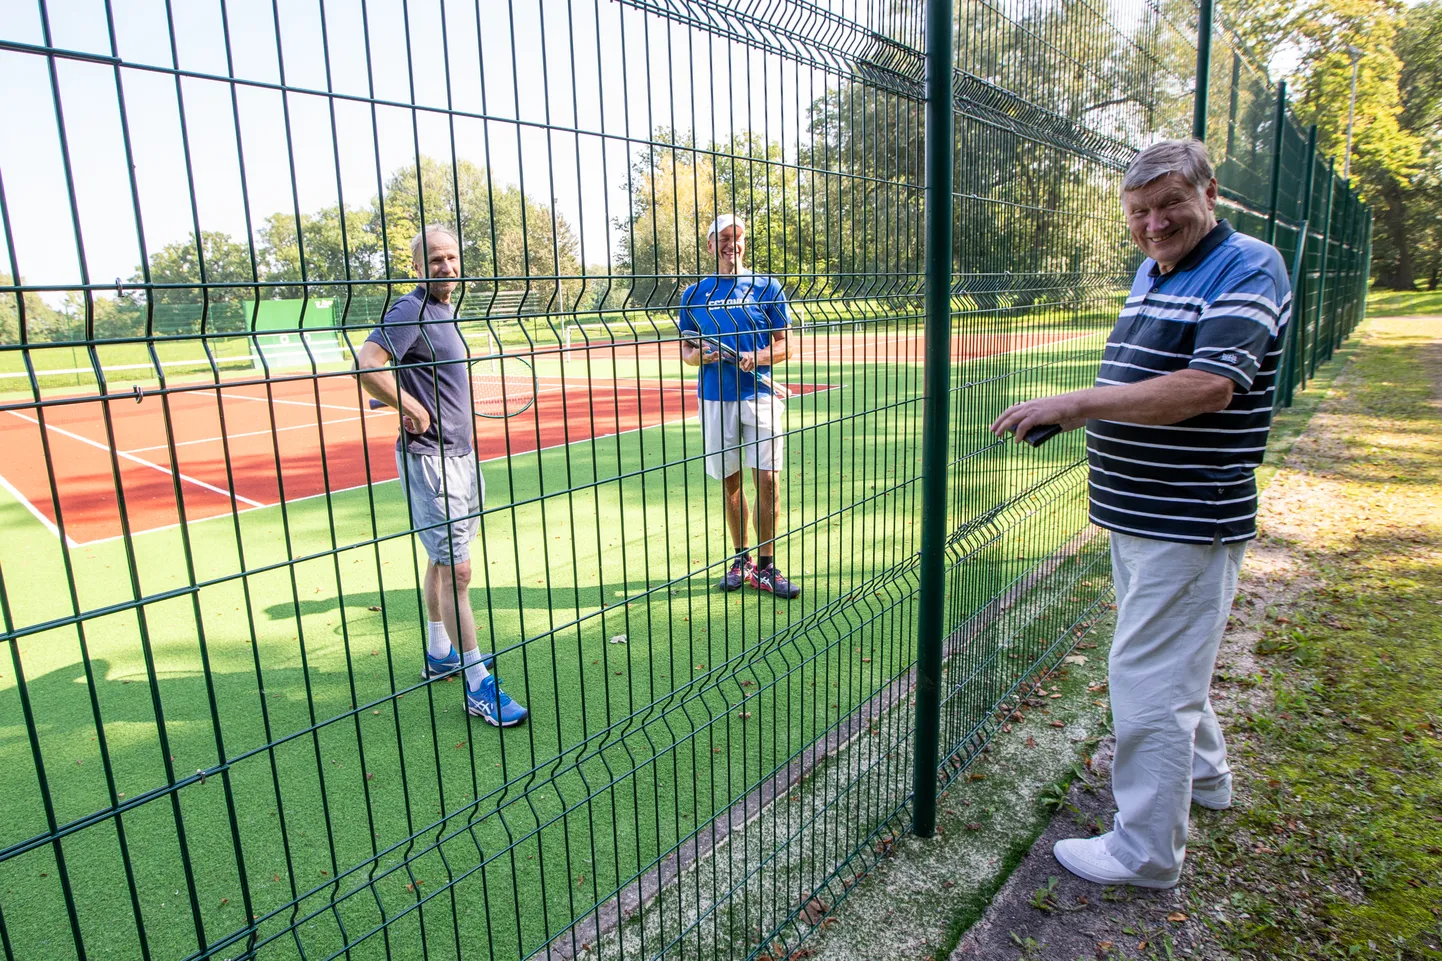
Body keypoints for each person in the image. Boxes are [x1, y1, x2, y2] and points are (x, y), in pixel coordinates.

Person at [989, 140, 1291, 888]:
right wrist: (1077, 416)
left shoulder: (1249, 264)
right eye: (1139, 212)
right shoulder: (1156, 267)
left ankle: (1144, 851)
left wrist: (1078, 403)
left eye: (1169, 207)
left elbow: (1209, 386)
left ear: (1209, 193)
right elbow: (1151, 376)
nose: (1154, 224)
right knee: (1168, 662)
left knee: (1147, 677)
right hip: (1142, 513)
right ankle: (1208, 778)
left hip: (1188, 514)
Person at [355, 224, 528, 727]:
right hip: (433, 459)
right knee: (457, 569)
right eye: (435, 260)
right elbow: (367, 364)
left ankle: (440, 653)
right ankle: (477, 683)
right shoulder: (410, 309)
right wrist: (408, 404)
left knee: (441, 559)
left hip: (458, 454)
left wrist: (409, 395)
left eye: (452, 258)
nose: (447, 267)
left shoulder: (443, 311)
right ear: (417, 267)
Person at [678, 213, 800, 599]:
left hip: (760, 397)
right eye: (725, 238)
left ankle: (766, 566)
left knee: (766, 479)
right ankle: (741, 559)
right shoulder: (694, 294)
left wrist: (761, 356)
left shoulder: (767, 287)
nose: (733, 243)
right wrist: (702, 358)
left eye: (739, 237)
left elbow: (786, 344)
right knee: (730, 481)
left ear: (745, 243)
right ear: (711, 245)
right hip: (714, 398)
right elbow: (687, 349)